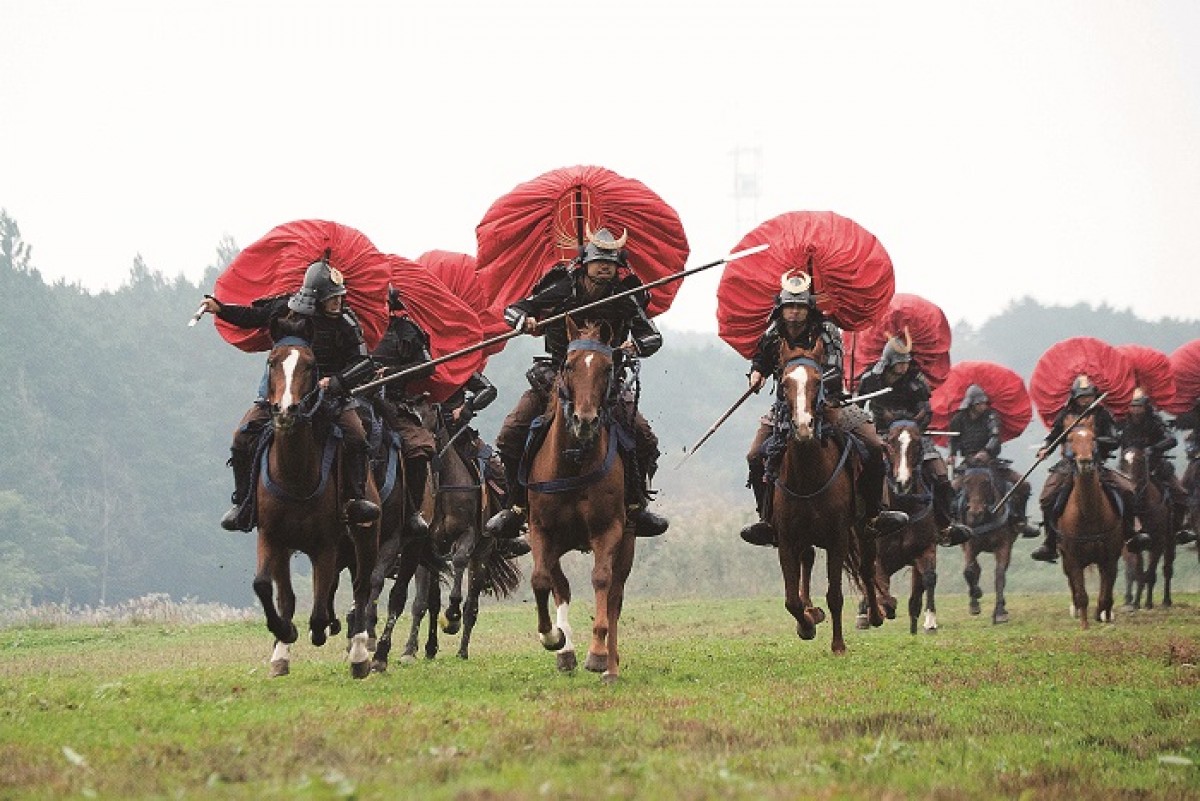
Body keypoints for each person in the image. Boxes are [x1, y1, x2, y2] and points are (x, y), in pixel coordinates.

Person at [484, 226, 668, 540]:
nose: (605, 266)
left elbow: (652, 336)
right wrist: (524, 321)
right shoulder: (562, 286)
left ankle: (637, 504)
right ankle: (514, 506)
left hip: (605, 382)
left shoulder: (624, 295)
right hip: (557, 375)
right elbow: (513, 309)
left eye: (611, 262)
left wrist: (635, 346)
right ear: (585, 262)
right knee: (510, 432)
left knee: (644, 438)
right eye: (599, 260)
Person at [202, 259, 380, 530]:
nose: (338, 302)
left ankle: (354, 500)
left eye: (340, 296)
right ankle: (244, 504)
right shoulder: (284, 309)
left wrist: (337, 382)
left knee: (356, 433)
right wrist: (221, 309)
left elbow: (363, 363)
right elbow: (252, 317)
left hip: (331, 395)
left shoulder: (346, 321)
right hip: (282, 392)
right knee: (241, 437)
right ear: (315, 298)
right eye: (332, 298)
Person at [739, 273, 909, 546]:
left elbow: (834, 371)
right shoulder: (773, 331)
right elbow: (761, 360)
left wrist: (810, 385)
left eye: (800, 307)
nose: (794, 312)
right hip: (786, 407)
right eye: (789, 307)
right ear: (782, 308)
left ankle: (874, 514)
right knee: (754, 455)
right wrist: (756, 373)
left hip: (829, 403)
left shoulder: (827, 331)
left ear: (809, 308)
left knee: (874, 445)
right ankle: (767, 520)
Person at [856, 331, 973, 546]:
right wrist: (872, 426)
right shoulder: (870, 379)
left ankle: (946, 524)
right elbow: (858, 409)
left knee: (940, 475)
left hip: (913, 435)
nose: (903, 367)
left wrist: (910, 421)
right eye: (899, 363)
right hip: (880, 434)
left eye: (906, 362)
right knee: (859, 470)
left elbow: (926, 412)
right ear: (889, 361)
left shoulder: (917, 381)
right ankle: (863, 519)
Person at [1030, 376, 1152, 562]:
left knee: (1127, 490)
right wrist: (1045, 448)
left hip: (1096, 464)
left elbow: (1113, 440)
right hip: (1068, 466)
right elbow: (1054, 436)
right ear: (1075, 397)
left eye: (1088, 396)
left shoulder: (1103, 414)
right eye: (1082, 396)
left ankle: (1130, 533)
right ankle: (1050, 541)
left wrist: (1092, 439)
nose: (1086, 399)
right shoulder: (1065, 415)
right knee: (1047, 497)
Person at [368, 288, 438, 539]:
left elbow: (426, 366)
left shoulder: (405, 330)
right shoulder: (352, 324)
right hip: (352, 400)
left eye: (382, 302)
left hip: (393, 403)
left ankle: (411, 512)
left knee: (420, 448)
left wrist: (391, 372)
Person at [441, 371, 531, 558]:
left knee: (497, 471)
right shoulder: (415, 355)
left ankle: (505, 536)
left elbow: (488, 389)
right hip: (417, 427)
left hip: (458, 436)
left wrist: (467, 407)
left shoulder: (457, 363)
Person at [947, 384, 1039, 537]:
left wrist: (986, 452)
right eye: (979, 403)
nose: (983, 406)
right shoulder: (958, 419)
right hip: (968, 465)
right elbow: (953, 439)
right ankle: (952, 523)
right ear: (971, 404)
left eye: (984, 403)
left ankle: (1020, 520)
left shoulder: (991, 416)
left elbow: (995, 437)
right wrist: (951, 454)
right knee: (950, 490)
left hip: (991, 463)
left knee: (1023, 485)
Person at [1117, 388, 1197, 545]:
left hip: (1155, 465)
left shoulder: (1155, 420)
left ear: (1145, 406)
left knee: (1180, 492)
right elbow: (1116, 440)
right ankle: (1126, 531)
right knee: (1117, 494)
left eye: (1138, 406)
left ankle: (1180, 528)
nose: (1135, 410)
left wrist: (1153, 449)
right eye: (1132, 406)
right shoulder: (1123, 423)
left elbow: (1171, 439)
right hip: (1130, 467)